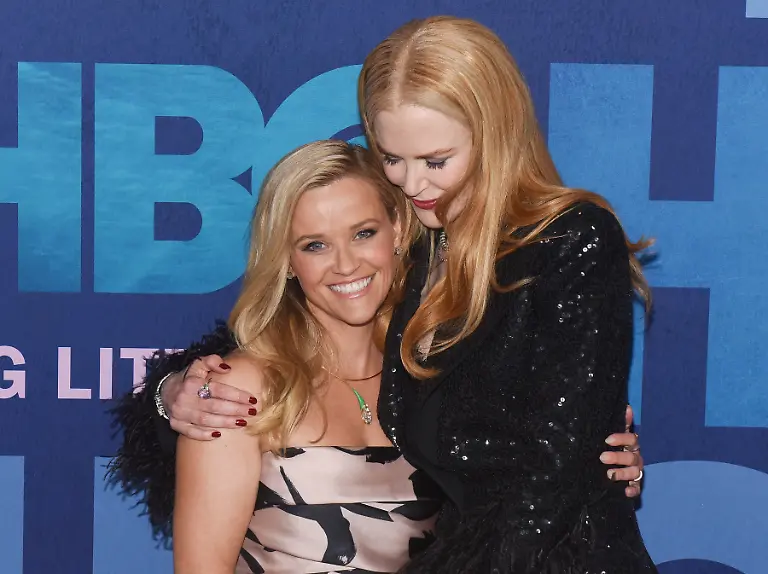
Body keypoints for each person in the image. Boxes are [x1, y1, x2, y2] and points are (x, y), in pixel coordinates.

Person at [110, 15, 655, 573]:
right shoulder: (421, 273)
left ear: (495, 134)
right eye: (393, 159)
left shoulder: (561, 241)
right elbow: (266, 360)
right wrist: (171, 392)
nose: (415, 184)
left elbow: (539, 481)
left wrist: (587, 467)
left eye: (436, 161)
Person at [172, 139, 443, 573]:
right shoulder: (237, 391)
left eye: (363, 233)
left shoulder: (441, 381)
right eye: (315, 245)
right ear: (287, 261)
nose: (345, 264)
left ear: (398, 230)